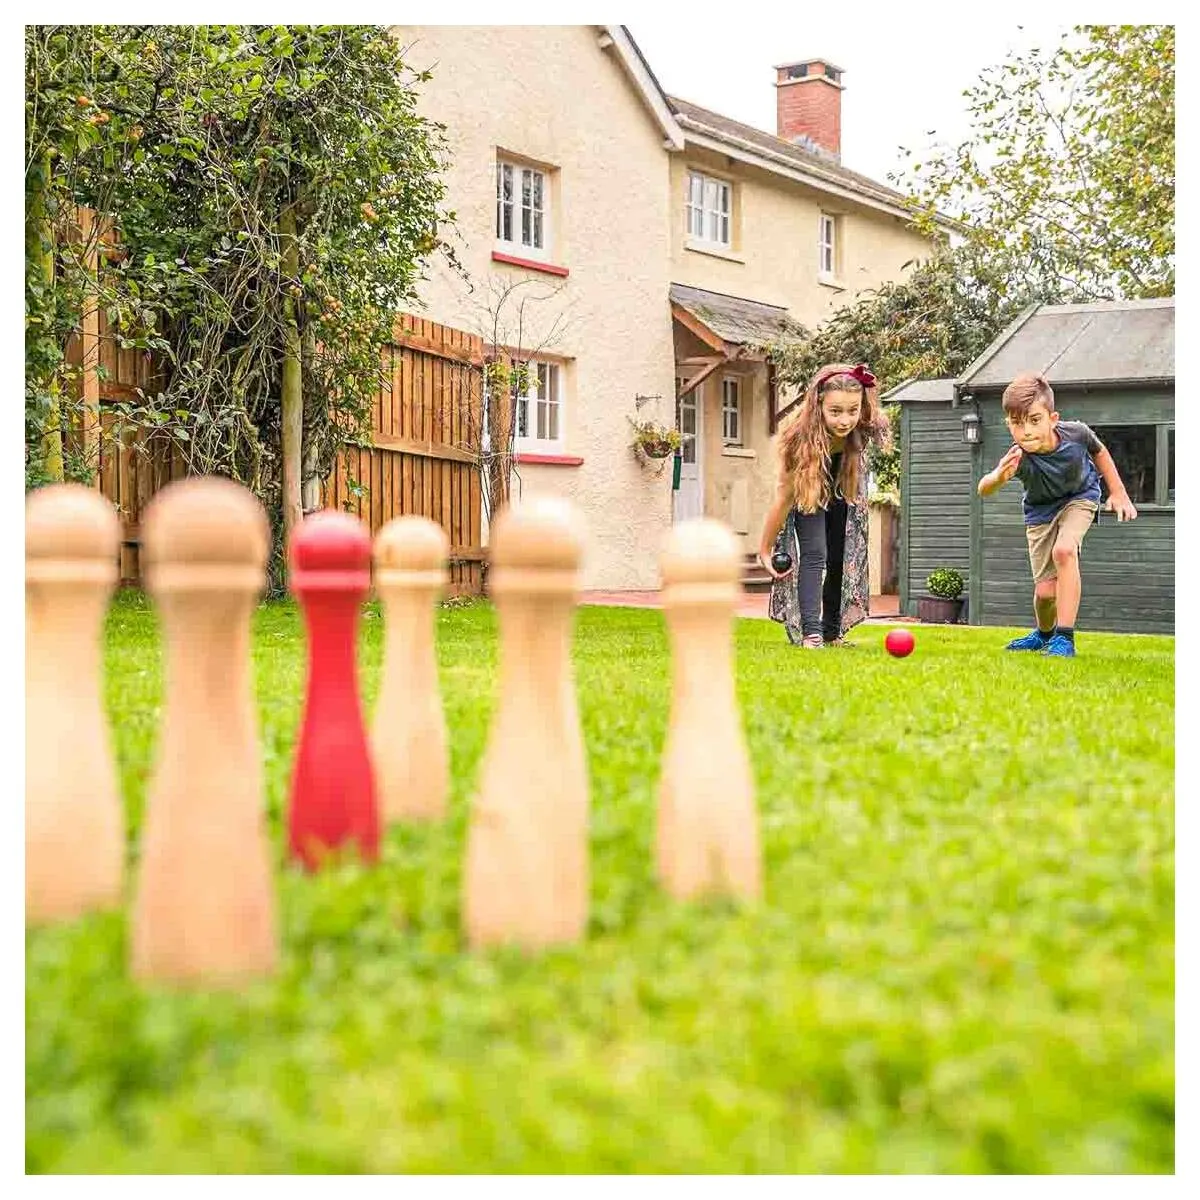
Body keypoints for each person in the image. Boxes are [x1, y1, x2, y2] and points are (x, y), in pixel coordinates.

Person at [977, 371, 1138, 658]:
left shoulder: (1076, 433)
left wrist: (1118, 492)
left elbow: (1099, 452)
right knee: (1045, 594)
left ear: (1053, 419)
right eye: (1017, 423)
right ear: (1008, 424)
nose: (1026, 430)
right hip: (1040, 513)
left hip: (1081, 497)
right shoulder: (1018, 456)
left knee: (1064, 551)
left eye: (1035, 420)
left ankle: (1065, 638)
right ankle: (1044, 634)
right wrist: (1000, 476)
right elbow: (984, 488)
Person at [758, 362, 891, 648]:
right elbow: (783, 497)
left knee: (839, 556)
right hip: (809, 485)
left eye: (852, 410)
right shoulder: (799, 439)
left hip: (842, 482)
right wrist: (765, 548)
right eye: (835, 411)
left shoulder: (864, 425)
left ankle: (832, 632)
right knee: (816, 553)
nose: (845, 420)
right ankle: (812, 632)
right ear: (818, 405)